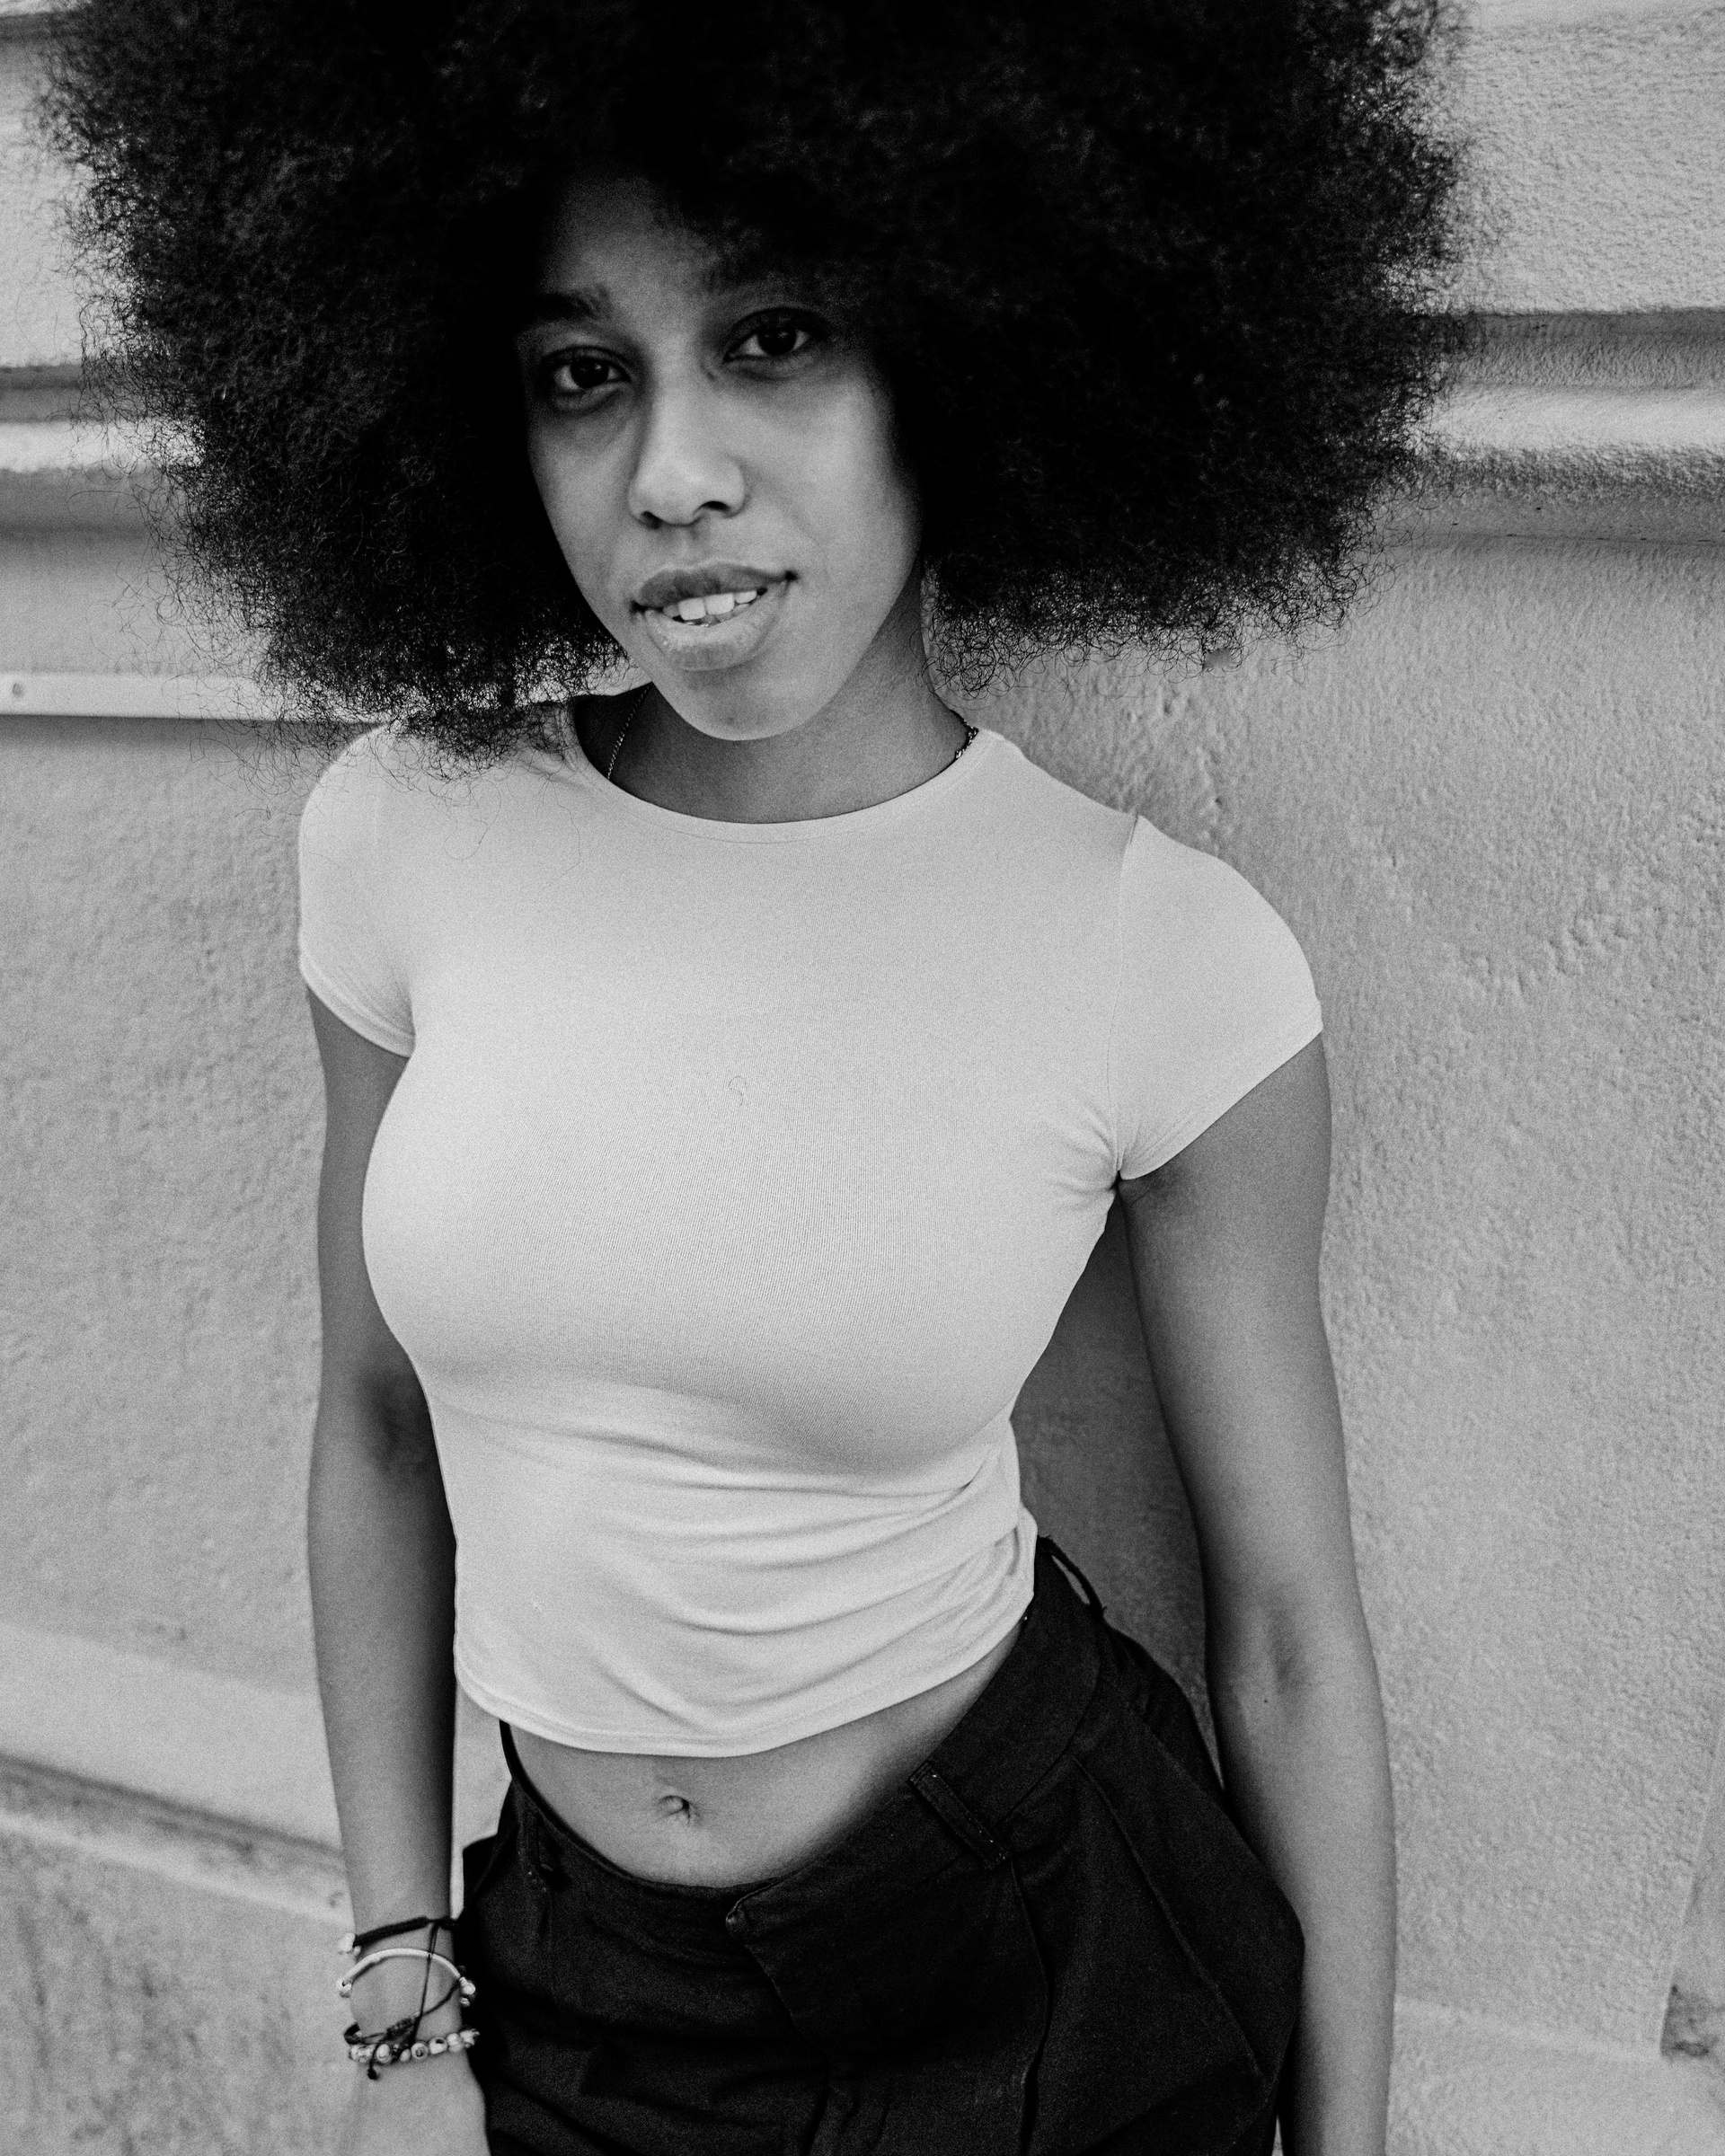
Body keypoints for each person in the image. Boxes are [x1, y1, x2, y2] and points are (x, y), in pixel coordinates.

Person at [53, 5, 1464, 2151]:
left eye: (775, 337)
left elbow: (1284, 1633)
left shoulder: (1167, 955)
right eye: (581, 373)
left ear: (960, 354)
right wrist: (399, 1979)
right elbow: (374, 1427)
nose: (672, 474)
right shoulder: (407, 831)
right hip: (578, 1975)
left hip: (1029, 1959)